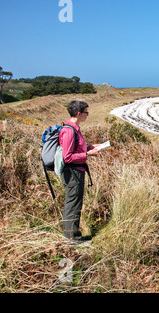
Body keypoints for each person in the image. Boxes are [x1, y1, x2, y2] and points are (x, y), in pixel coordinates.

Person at [59, 100, 100, 243]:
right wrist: (87, 155)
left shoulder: (74, 129)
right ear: (78, 113)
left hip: (76, 171)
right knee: (72, 204)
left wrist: (89, 147)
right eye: (86, 112)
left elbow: (76, 148)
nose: (87, 115)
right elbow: (68, 157)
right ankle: (72, 239)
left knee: (75, 203)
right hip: (73, 172)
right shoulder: (69, 131)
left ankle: (73, 235)